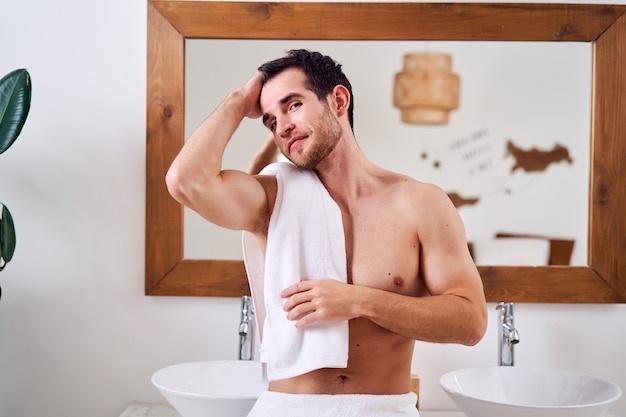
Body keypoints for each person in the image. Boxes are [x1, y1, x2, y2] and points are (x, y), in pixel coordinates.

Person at [166, 49, 487, 416]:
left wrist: (357, 301)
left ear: (338, 100)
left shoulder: (420, 203)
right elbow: (185, 181)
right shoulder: (272, 200)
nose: (282, 126)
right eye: (270, 121)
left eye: (293, 105)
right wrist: (239, 101)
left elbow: (471, 321)